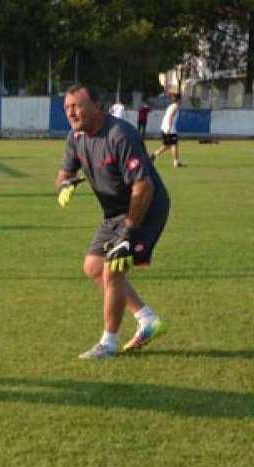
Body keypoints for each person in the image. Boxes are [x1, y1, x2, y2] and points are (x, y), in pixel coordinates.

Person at [55, 84, 170, 359]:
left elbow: (144, 188)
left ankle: (108, 344)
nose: (71, 113)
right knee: (94, 267)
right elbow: (62, 175)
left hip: (145, 208)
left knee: (113, 269)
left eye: (77, 106)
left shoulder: (120, 135)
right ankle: (147, 319)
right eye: (67, 108)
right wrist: (65, 185)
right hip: (114, 213)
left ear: (97, 106)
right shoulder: (76, 138)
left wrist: (128, 236)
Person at [152, 92, 184, 167]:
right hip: (169, 128)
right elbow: (170, 117)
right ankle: (176, 162)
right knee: (174, 144)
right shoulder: (175, 106)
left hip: (164, 127)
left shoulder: (171, 106)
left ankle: (154, 155)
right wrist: (169, 128)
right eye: (181, 99)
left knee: (167, 145)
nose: (182, 101)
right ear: (179, 100)